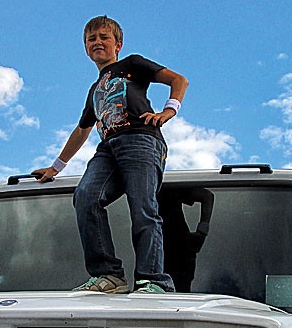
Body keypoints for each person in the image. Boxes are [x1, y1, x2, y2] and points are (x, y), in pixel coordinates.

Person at [32, 15, 188, 294]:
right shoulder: (95, 90)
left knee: (143, 207)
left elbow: (179, 80)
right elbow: (82, 129)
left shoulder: (132, 64)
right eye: (91, 39)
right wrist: (55, 168)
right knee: (86, 196)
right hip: (108, 147)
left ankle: (153, 280)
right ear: (85, 48)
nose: (97, 42)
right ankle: (108, 274)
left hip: (141, 138)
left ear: (118, 44)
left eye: (104, 37)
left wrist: (169, 110)